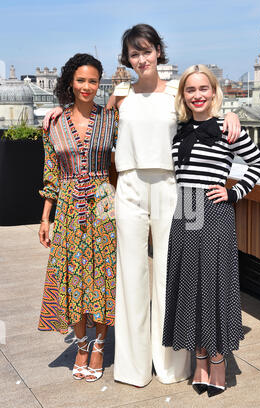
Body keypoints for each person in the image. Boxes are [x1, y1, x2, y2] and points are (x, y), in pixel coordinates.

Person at [42, 23, 242, 388]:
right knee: (131, 276)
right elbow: (91, 117)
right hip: (129, 186)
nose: (142, 58)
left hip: (171, 187)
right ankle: (132, 367)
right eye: (134, 53)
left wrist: (231, 115)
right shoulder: (121, 97)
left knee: (170, 276)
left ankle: (171, 365)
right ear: (128, 59)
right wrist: (60, 110)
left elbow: (206, 110)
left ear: (158, 52)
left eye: (147, 51)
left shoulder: (176, 96)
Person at [162, 64, 260, 397]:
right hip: (185, 210)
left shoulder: (226, 126)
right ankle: (200, 357)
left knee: (215, 284)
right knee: (190, 283)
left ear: (213, 90)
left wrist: (233, 192)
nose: (197, 95)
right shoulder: (178, 128)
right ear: (183, 95)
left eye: (203, 88)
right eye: (190, 90)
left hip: (213, 209)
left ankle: (219, 359)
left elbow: (258, 162)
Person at [38, 53, 118, 382]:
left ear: (100, 84)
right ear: (70, 82)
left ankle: (99, 345)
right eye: (81, 80)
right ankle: (81, 346)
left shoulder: (112, 118)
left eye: (93, 81)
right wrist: (46, 218)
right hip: (69, 206)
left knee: (101, 277)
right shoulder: (54, 123)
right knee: (72, 278)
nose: (87, 86)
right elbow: (51, 175)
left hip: (103, 203)